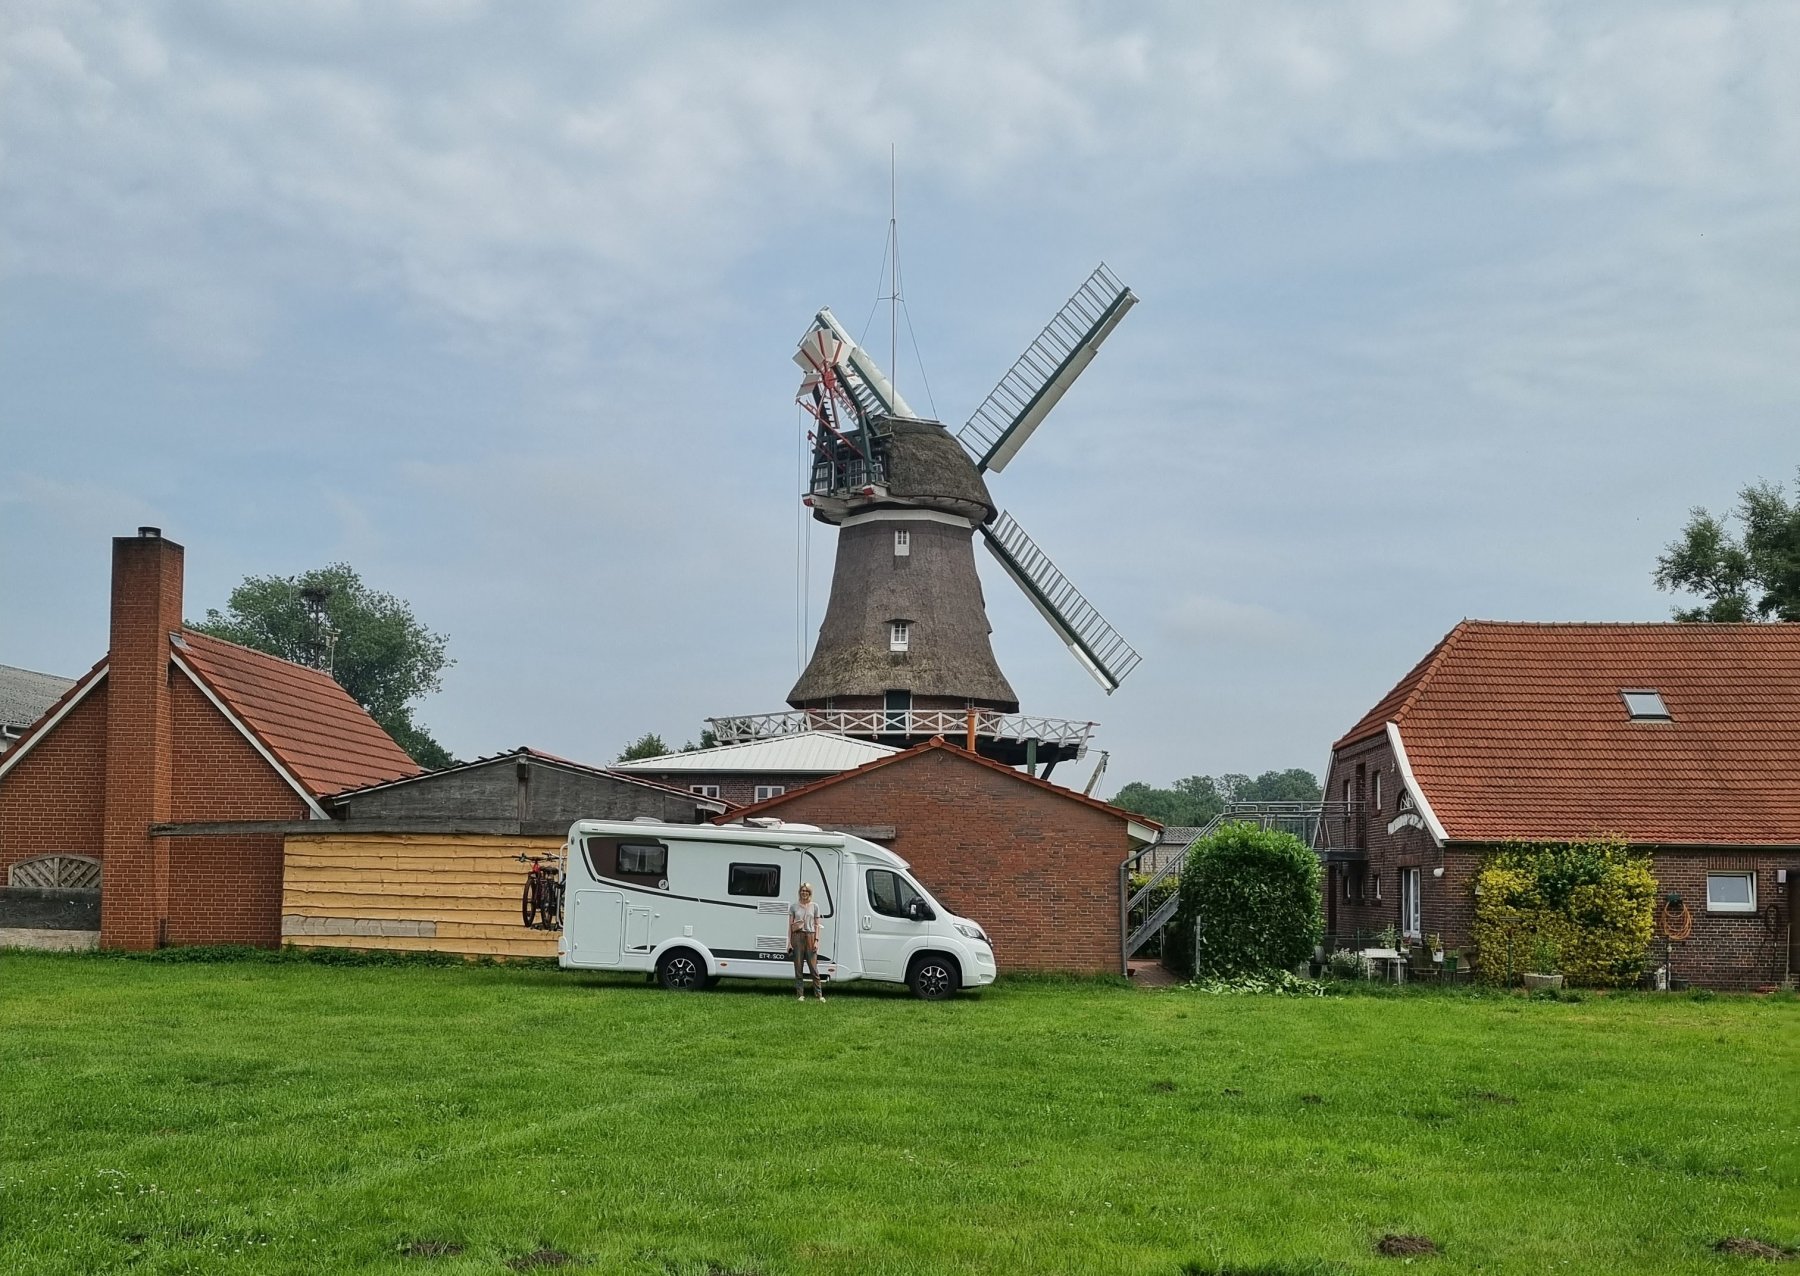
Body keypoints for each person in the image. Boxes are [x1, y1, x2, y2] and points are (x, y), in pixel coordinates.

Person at [789, 882, 825, 1002]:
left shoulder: (815, 906)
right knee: (798, 967)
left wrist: (817, 941)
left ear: (810, 893)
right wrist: (789, 942)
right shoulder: (794, 907)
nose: (804, 893)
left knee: (813, 968)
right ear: (800, 892)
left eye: (806, 891)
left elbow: (817, 925)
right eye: (802, 891)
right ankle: (800, 994)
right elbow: (790, 926)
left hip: (810, 936)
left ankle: (819, 995)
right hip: (797, 937)